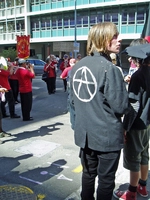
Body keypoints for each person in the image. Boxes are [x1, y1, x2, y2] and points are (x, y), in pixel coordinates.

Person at [69, 22, 129, 200]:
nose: (119, 40)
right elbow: (121, 106)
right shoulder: (109, 69)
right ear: (103, 39)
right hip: (106, 137)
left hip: (85, 135)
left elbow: (72, 103)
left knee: (88, 176)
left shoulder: (77, 67)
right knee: (106, 181)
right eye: (115, 36)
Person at [113, 43, 150, 200]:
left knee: (134, 158)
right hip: (147, 122)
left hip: (136, 123)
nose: (130, 59)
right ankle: (143, 186)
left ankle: (131, 192)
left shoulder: (138, 75)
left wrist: (125, 128)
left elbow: (133, 105)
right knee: (144, 155)